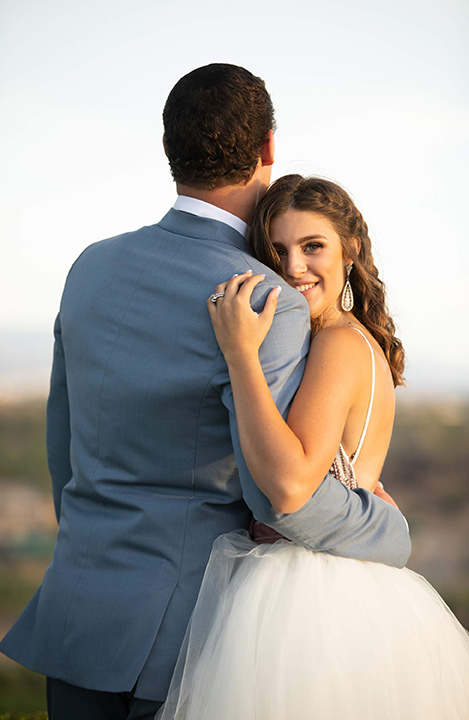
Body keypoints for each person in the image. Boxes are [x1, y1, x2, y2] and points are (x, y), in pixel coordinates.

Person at [0, 66, 411, 720]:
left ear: (170, 152)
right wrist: (384, 528)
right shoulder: (266, 301)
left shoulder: (90, 268)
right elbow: (282, 498)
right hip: (188, 643)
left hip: (79, 615)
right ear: (268, 149)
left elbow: (63, 447)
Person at [158, 175, 469, 720]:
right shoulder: (354, 340)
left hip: (312, 596)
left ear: (350, 251)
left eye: (313, 247)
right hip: (349, 581)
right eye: (278, 250)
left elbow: (292, 480)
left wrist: (240, 355)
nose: (292, 267)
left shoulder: (336, 344)